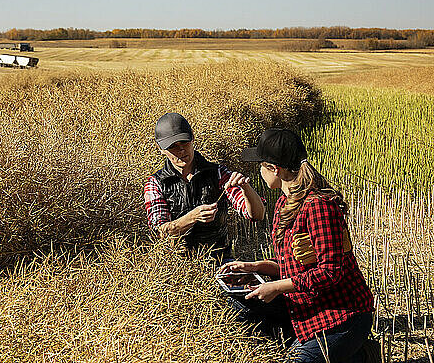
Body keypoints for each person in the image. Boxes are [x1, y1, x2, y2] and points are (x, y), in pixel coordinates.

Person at [218, 128, 376, 363]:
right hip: (307, 304)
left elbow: (330, 272)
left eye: (261, 165)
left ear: (274, 169)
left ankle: (358, 353)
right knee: (239, 305)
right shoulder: (285, 201)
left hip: (341, 315)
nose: (260, 171)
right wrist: (256, 267)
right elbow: (294, 267)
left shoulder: (317, 207)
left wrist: (277, 288)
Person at [143, 113, 265, 261]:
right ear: (161, 149)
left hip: (221, 259)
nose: (181, 150)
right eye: (173, 147)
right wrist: (193, 217)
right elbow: (161, 233)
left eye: (184, 142)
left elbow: (257, 215)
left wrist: (246, 188)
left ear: (192, 138)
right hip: (177, 265)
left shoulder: (218, 173)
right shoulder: (156, 183)